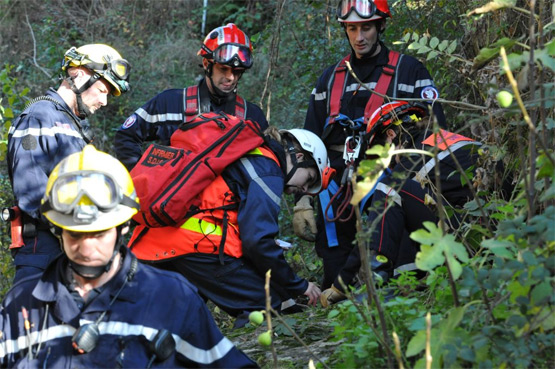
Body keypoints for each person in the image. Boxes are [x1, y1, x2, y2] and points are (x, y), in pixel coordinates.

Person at [0, 145, 258, 368]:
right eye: (75, 234)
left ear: (123, 226)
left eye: (99, 233)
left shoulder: (171, 298)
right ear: (57, 230)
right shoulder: (22, 305)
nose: (87, 247)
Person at [294, 0, 447, 290]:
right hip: (336, 183)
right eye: (352, 29)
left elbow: (436, 133)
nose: (359, 37)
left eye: (366, 27)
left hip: (389, 174)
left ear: (380, 26)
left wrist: (420, 181)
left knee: (399, 272)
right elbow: (308, 142)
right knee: (336, 279)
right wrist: (302, 200)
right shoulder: (329, 80)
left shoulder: (410, 72)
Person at [128, 128, 333, 326]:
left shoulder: (249, 152)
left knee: (172, 316)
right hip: (195, 244)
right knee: (264, 308)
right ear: (298, 157)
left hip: (153, 240)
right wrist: (299, 285)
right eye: (309, 178)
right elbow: (257, 242)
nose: (304, 189)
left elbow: (229, 215)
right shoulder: (268, 170)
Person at [320, 101, 482, 306]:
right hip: (488, 236)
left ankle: (377, 285)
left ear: (390, 135)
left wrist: (340, 285)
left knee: (389, 188)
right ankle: (406, 280)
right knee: (400, 203)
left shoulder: (414, 155)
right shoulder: (439, 143)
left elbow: (373, 225)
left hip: (470, 242)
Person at [7, 44, 131, 283]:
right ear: (80, 74)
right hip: (42, 251)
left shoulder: (72, 125)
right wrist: (77, 226)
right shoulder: (38, 116)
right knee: (30, 318)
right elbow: (31, 191)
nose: (104, 102)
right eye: (103, 90)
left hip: (73, 247)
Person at [114, 23, 268, 171]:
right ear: (207, 64)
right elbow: (126, 136)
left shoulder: (252, 117)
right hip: (173, 196)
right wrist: (143, 179)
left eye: (237, 71)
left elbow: (268, 164)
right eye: (224, 69)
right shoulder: (170, 103)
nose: (230, 77)